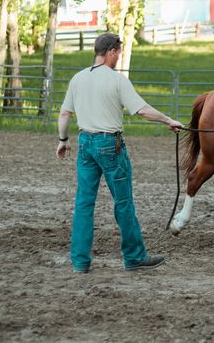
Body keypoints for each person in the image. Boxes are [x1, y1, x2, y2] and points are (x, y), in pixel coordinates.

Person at [56, 33, 182, 273]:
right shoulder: (117, 80)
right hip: (109, 146)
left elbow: (64, 115)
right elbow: (142, 110)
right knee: (123, 203)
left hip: (85, 144)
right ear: (112, 51)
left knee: (84, 203)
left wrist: (63, 140)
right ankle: (134, 257)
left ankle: (80, 261)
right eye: (119, 53)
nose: (118, 58)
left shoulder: (78, 78)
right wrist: (168, 120)